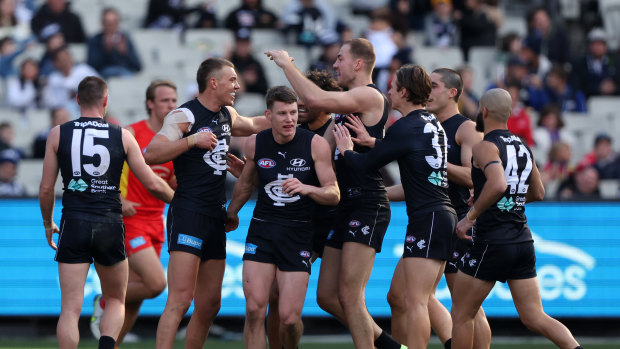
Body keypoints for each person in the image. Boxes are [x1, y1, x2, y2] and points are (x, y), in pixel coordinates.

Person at [266, 38, 403, 349]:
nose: (336, 64)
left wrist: (287, 63)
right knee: (327, 296)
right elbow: (318, 154)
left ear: (358, 64)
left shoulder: (369, 96)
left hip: (366, 204)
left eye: (340, 59)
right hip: (345, 207)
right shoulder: (348, 106)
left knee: (350, 296)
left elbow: (315, 98)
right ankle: (392, 346)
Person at [143, 57, 270, 349]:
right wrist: (191, 141)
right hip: (188, 212)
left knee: (210, 303)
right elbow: (152, 153)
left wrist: (292, 114)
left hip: (216, 214)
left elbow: (252, 124)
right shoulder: (183, 115)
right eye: (232, 80)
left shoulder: (227, 113)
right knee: (180, 299)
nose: (238, 86)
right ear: (213, 82)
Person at [39, 76, 174, 349]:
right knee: (115, 299)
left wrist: (47, 222)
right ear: (105, 100)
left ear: (77, 100)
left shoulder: (57, 133)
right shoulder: (123, 135)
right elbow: (150, 182)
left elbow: (45, 189)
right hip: (110, 224)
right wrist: (179, 201)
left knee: (70, 309)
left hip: (73, 221)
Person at [334, 64, 457, 349]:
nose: (387, 91)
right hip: (441, 215)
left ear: (403, 92)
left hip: (427, 218)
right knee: (400, 295)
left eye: (392, 86)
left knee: (415, 300)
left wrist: (347, 151)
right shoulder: (430, 123)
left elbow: (366, 165)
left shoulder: (405, 126)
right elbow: (409, 151)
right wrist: (372, 141)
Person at [450, 88, 582, 349]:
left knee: (461, 314)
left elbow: (498, 184)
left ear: (483, 112)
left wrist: (471, 216)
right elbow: (539, 192)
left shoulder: (485, 146)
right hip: (522, 241)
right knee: (535, 316)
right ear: (509, 114)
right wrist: (508, 203)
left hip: (491, 241)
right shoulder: (523, 146)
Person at [381, 68, 490, 349]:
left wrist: (433, 159)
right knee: (399, 296)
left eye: (435, 85)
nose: (428, 91)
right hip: (433, 220)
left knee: (465, 305)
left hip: (457, 222)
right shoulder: (424, 125)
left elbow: (472, 177)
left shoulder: (465, 128)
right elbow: (416, 185)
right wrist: (375, 194)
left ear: (453, 92)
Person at [226, 85, 339, 349]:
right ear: (269, 116)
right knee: (254, 310)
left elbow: (333, 193)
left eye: (293, 113)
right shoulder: (256, 142)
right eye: (282, 114)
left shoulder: (316, 144)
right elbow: (245, 184)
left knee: (288, 318)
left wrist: (307, 188)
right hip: (262, 231)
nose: (289, 119)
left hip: (298, 234)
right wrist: (232, 211)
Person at [89, 80, 178, 345]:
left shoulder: (175, 139)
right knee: (155, 284)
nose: (171, 105)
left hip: (156, 221)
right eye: (165, 100)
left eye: (174, 100)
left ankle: (111, 343)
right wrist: (117, 197)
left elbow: (171, 182)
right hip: (131, 220)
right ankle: (104, 299)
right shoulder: (131, 133)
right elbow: (102, 171)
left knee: (136, 298)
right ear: (150, 103)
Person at [265, 70, 342, 349]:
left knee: (336, 299)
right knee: (275, 296)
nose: (299, 108)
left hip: (329, 221)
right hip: (297, 223)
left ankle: (380, 339)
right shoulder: (291, 129)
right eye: (298, 102)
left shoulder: (334, 130)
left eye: (306, 101)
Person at [87, 7, 142, 78]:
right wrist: (105, 50)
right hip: (103, 75)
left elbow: (138, 66)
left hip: (125, 73)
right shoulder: (95, 40)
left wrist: (125, 52)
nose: (111, 27)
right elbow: (91, 67)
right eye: (108, 23)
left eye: (114, 23)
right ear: (103, 23)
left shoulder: (125, 38)